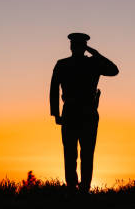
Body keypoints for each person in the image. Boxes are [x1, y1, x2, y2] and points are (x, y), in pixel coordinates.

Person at [49, 33, 119, 193]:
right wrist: (96, 53)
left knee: (74, 153)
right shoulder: (92, 63)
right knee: (81, 153)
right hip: (83, 112)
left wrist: (56, 114)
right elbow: (113, 70)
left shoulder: (66, 64)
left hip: (76, 112)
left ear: (72, 46)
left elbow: (114, 71)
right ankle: (80, 189)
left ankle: (77, 188)